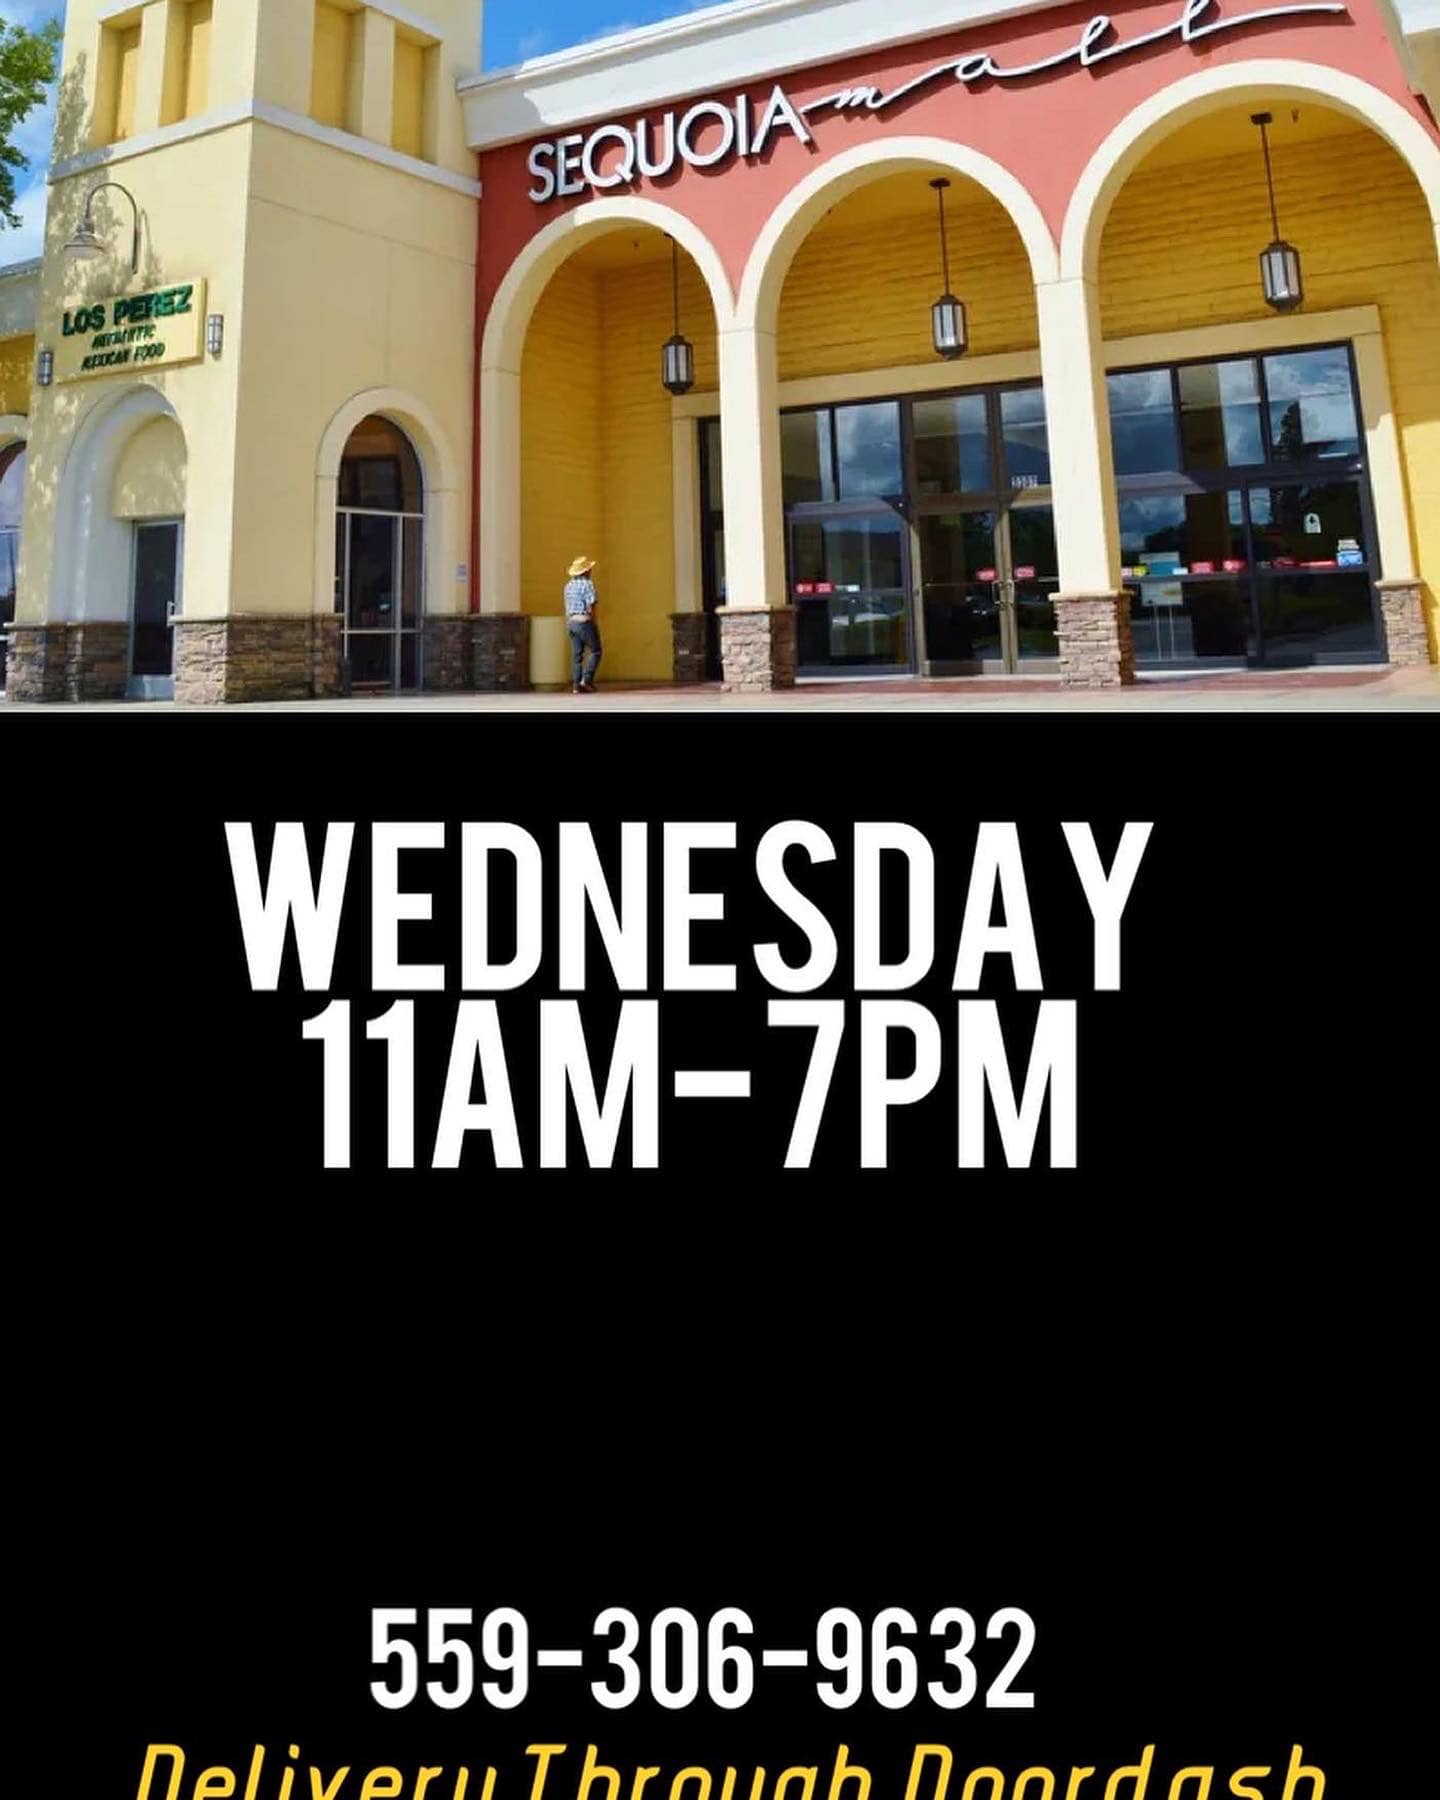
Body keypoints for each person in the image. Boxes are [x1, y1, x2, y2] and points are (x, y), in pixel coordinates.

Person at [564, 555, 602, 694]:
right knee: (596, 651)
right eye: (589, 569)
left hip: (572, 622)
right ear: (586, 571)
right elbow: (591, 604)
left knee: (577, 656)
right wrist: (594, 621)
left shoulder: (568, 586)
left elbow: (567, 606)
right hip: (584, 621)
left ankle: (576, 686)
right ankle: (587, 680)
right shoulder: (587, 584)